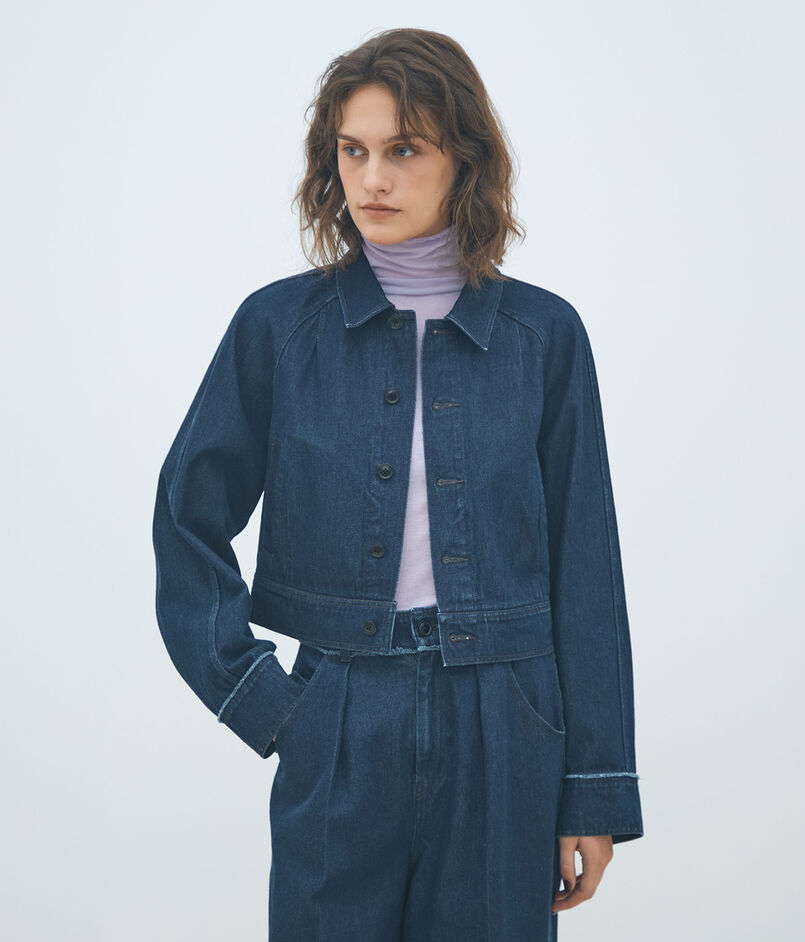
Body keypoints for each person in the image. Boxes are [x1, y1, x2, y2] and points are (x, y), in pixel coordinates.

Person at [152, 26, 643, 942]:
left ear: (463, 160)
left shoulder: (544, 337)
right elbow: (186, 518)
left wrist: (595, 786)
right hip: (339, 707)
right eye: (353, 151)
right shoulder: (277, 329)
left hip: (505, 716)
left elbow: (586, 565)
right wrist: (263, 699)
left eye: (404, 150)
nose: (371, 179)